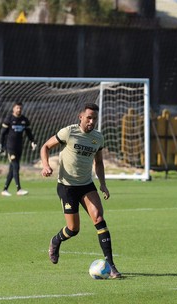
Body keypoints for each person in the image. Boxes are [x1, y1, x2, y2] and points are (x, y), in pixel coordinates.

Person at [40, 103, 122, 279]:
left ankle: (111, 266)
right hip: (67, 186)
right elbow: (45, 147)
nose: (92, 121)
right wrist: (46, 166)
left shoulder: (98, 138)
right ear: (81, 117)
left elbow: (98, 162)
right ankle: (56, 240)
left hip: (86, 185)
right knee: (73, 229)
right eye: (89, 118)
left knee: (99, 219)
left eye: (94, 119)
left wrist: (103, 184)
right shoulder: (68, 132)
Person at [0, 102, 37, 196]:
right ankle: (18, 189)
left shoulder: (24, 120)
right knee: (16, 166)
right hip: (10, 147)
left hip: (19, 147)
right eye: (17, 108)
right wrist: (1, 146)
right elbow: (2, 134)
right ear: (13, 109)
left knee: (12, 169)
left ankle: (5, 189)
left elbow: (29, 133)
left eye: (20, 108)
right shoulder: (9, 119)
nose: (19, 110)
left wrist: (33, 142)